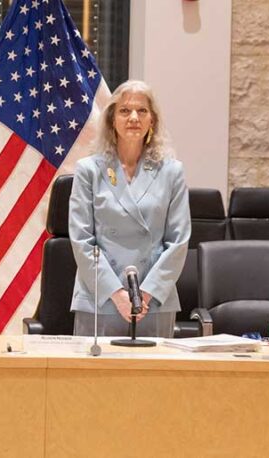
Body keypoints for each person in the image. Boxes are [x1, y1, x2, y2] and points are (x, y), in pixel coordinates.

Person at [68, 80, 190, 338]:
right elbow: (81, 240)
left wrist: (143, 294)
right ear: (112, 118)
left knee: (156, 378)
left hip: (154, 299)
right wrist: (118, 295)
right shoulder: (89, 170)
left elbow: (179, 242)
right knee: (91, 378)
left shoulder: (172, 172)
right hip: (100, 298)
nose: (133, 117)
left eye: (142, 111)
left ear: (152, 120)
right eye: (124, 111)